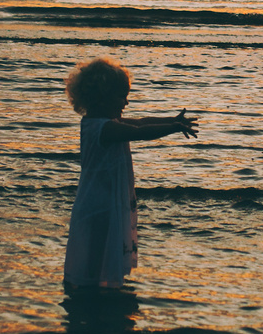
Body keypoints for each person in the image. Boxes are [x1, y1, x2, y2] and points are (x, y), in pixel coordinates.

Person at [63, 57, 198, 294]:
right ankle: (92, 294)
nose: (126, 102)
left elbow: (141, 122)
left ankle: (96, 290)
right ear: (101, 98)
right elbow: (141, 132)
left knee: (100, 252)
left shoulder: (102, 122)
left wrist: (171, 119)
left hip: (102, 202)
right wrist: (173, 128)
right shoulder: (104, 128)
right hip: (99, 205)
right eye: (120, 96)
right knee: (95, 252)